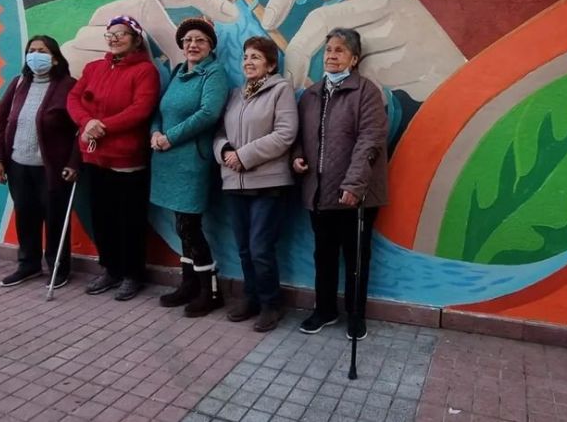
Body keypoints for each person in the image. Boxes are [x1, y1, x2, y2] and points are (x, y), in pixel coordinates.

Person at [292, 27, 389, 341]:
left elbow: (370, 141)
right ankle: (325, 309)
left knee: (357, 257)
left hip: (354, 194)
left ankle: (356, 314)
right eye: (328, 50)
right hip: (318, 192)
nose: (332, 56)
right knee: (324, 253)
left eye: (339, 51)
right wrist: (297, 156)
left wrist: (354, 184)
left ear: (354, 58)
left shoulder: (365, 92)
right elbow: (301, 136)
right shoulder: (311, 94)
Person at [67, 16, 160, 301]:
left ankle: (133, 274)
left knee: (128, 220)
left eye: (122, 34)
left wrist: (102, 126)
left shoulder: (145, 71)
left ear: (135, 39)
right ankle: (110, 269)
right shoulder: (94, 68)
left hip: (127, 159)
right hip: (95, 157)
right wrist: (86, 122)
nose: (115, 38)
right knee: (102, 217)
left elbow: (141, 109)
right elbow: (74, 98)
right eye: (111, 34)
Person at [214, 36, 298, 332]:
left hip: (268, 182)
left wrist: (244, 156)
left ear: (271, 64)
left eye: (256, 57)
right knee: (244, 249)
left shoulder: (281, 90)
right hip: (234, 182)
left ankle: (270, 304)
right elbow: (220, 131)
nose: (248, 62)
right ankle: (251, 297)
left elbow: (285, 134)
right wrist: (225, 151)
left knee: (260, 247)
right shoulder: (236, 95)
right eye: (246, 57)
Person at [150, 17, 230, 316]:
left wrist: (170, 137)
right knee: (181, 227)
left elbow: (209, 113)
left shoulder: (214, 73)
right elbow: (160, 109)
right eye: (187, 41)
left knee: (189, 226)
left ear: (210, 46)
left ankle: (210, 291)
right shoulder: (177, 72)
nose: (192, 45)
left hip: (190, 164)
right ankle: (188, 285)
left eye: (199, 40)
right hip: (167, 161)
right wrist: (155, 133)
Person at [0, 35, 80, 288]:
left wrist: (73, 163)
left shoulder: (69, 86)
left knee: (55, 219)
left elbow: (79, 130)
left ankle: (58, 268)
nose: (35, 55)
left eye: (42, 50)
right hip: (18, 165)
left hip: (53, 169)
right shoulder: (18, 84)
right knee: (25, 216)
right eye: (32, 50)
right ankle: (28, 265)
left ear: (55, 57)